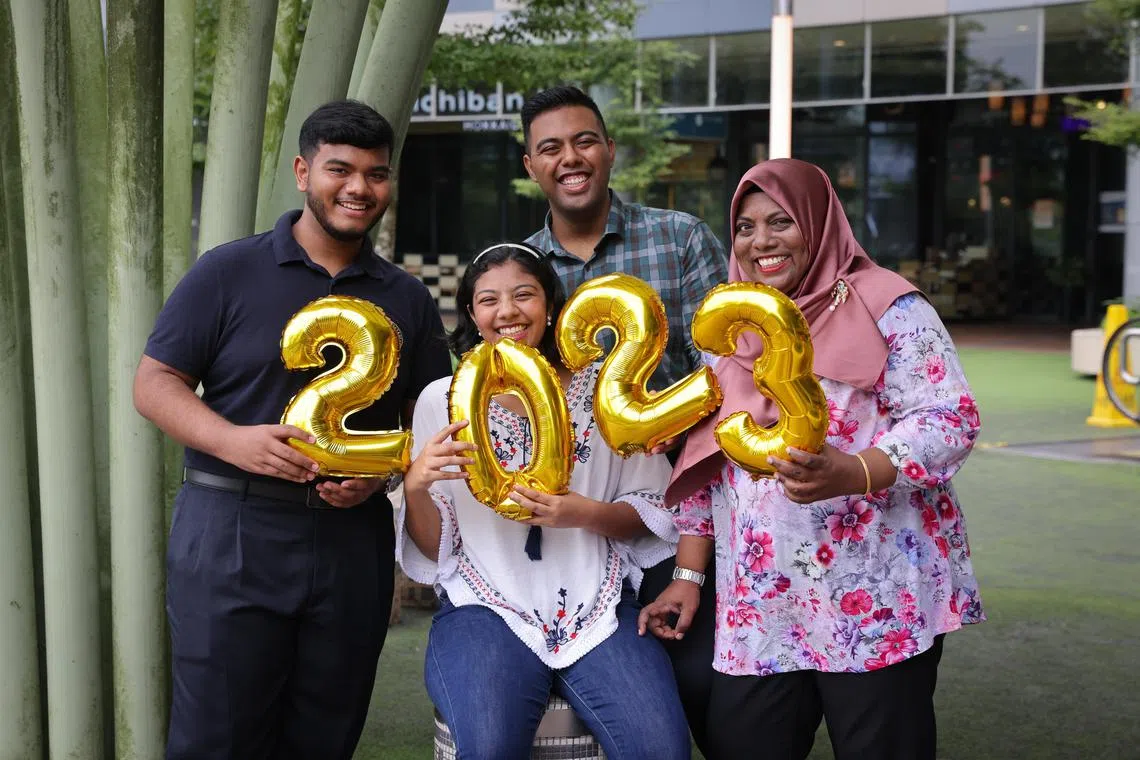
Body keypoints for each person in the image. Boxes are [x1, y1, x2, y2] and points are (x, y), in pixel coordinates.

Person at [134, 100, 451, 759]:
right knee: (214, 742)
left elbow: (426, 424)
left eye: (376, 173)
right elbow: (153, 383)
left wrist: (378, 478)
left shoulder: (406, 297)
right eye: (341, 169)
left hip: (350, 545)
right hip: (232, 534)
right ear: (305, 172)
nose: (359, 188)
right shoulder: (228, 271)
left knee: (324, 739)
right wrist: (232, 440)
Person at [640, 158, 985, 760]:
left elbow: (949, 418)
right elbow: (705, 461)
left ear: (820, 223)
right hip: (763, 599)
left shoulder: (889, 307)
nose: (761, 242)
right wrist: (689, 577)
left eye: (781, 222)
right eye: (745, 228)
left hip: (876, 594)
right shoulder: (732, 326)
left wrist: (853, 472)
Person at [398, 242, 690, 760]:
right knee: (487, 749)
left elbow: (653, 512)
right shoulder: (440, 400)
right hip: (482, 607)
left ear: (552, 304)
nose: (506, 311)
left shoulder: (605, 392)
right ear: (472, 313)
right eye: (488, 300)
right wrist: (417, 486)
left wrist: (583, 512)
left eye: (523, 295)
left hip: (596, 605)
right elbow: (437, 545)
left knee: (661, 749)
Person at [521, 84, 727, 748]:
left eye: (584, 141)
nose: (570, 158)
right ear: (531, 167)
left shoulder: (680, 239)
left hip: (681, 505)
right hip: (571, 524)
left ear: (610, 150)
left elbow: (732, 368)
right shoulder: (523, 272)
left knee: (705, 681)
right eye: (550, 148)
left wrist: (673, 419)